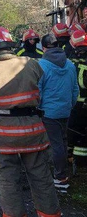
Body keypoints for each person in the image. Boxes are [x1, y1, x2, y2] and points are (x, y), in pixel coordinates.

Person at [0, 26, 61, 217]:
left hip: (3, 136)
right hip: (33, 130)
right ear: (10, 44)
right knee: (41, 177)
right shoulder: (31, 63)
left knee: (8, 180)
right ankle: (50, 214)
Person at [38, 33, 78, 190]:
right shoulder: (69, 64)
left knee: (56, 145)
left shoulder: (41, 65)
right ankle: (62, 174)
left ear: (43, 48)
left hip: (49, 112)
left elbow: (38, 91)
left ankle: (60, 178)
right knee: (62, 141)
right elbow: (75, 90)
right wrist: (69, 105)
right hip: (65, 110)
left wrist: (39, 108)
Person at [67, 30, 87, 172]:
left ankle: (73, 159)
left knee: (73, 131)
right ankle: (80, 161)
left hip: (75, 104)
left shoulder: (70, 60)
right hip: (80, 103)